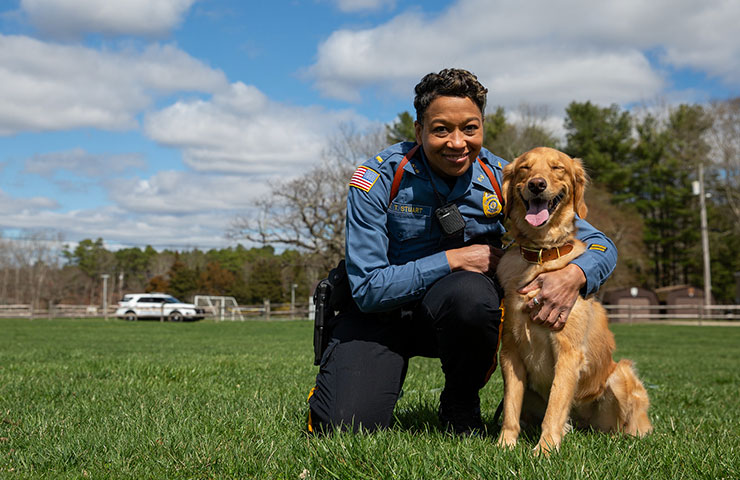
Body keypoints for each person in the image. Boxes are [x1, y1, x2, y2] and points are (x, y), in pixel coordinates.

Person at [307, 68, 617, 435]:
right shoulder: (378, 178)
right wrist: (453, 259)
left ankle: (460, 402)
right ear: (418, 129)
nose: (458, 142)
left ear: (482, 126)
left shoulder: (505, 177)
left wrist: (575, 275)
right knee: (343, 427)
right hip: (380, 315)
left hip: (458, 316)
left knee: (472, 294)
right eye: (441, 130)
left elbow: (600, 244)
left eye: (470, 128)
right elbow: (368, 289)